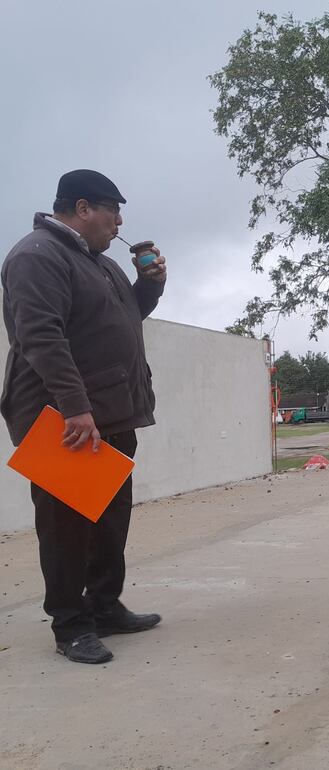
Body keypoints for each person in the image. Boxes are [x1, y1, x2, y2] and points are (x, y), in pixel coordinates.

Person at [1, 169, 167, 663]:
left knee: (110, 521)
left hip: (110, 415)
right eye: (112, 211)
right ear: (82, 209)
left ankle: (104, 606)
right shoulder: (37, 256)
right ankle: (70, 626)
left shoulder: (100, 263)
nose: (119, 223)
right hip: (64, 419)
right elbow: (40, 337)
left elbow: (122, 319)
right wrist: (76, 408)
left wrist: (148, 285)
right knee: (67, 527)